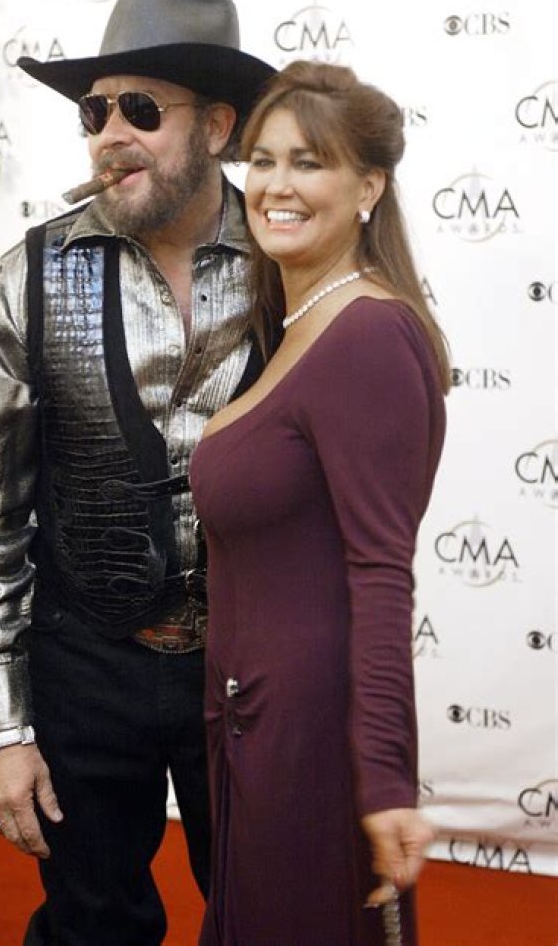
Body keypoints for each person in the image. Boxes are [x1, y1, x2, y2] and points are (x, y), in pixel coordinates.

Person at [0, 0, 275, 946]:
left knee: (269, 917)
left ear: (217, 127)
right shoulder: (29, 279)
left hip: (251, 671)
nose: (110, 133)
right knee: (91, 926)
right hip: (83, 662)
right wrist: (2, 730)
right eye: (95, 112)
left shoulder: (291, 262)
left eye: (141, 110)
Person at [190, 60, 450, 945]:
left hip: (313, 740)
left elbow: (381, 575)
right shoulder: (297, 327)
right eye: (263, 160)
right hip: (253, 728)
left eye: (309, 162)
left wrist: (384, 776)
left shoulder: (369, 333)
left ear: (368, 187)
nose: (277, 185)